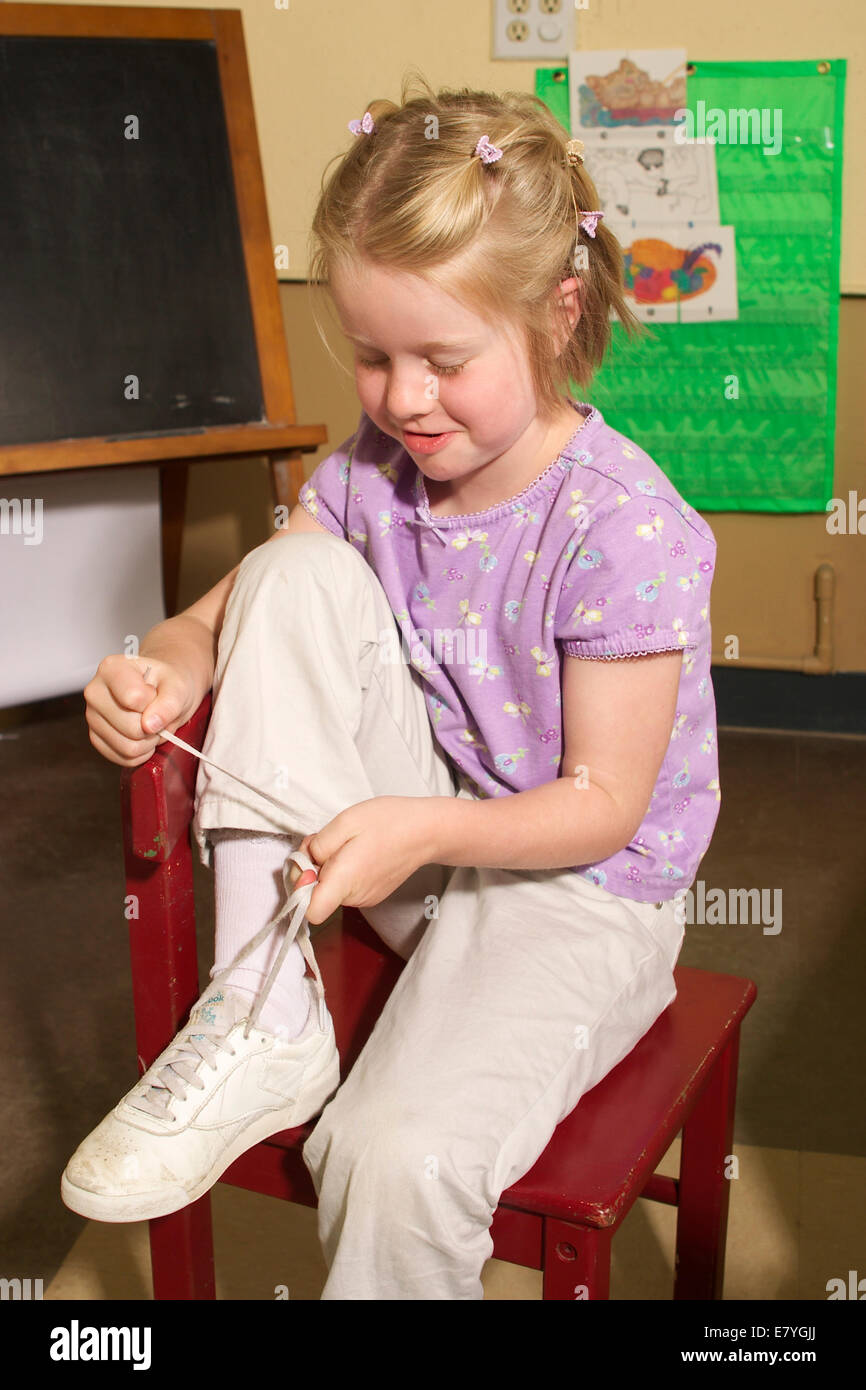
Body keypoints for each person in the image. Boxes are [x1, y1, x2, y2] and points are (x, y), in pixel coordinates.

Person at [61, 76, 721, 1300]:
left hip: (576, 893)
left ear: (556, 312)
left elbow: (604, 805)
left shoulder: (622, 528)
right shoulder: (373, 472)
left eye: (443, 359)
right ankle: (263, 1012)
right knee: (292, 569)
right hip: (415, 853)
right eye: (371, 355)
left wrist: (417, 828)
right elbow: (221, 617)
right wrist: (159, 668)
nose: (403, 399)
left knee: (392, 1157)